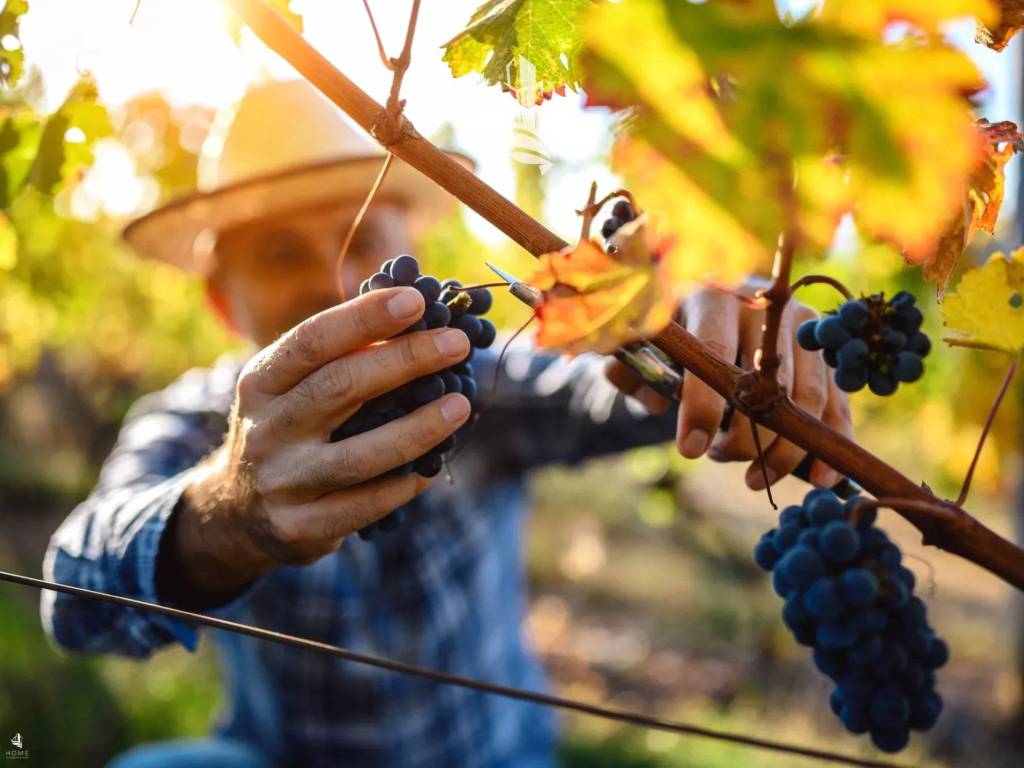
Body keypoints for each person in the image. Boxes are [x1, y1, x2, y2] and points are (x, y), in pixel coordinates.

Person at [40, 80, 851, 768]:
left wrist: (707, 341)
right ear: (224, 303)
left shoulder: (480, 382)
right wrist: (226, 513)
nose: (338, 283)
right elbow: (73, 600)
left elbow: (597, 387)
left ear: (412, 246)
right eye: (282, 254)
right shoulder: (193, 423)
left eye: (363, 240)